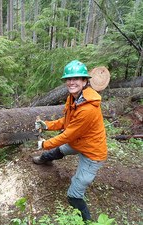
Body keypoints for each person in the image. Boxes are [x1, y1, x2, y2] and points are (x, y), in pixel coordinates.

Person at [33, 60, 107, 222]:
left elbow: (69, 134)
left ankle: (86, 221)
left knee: (74, 195)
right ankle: (43, 159)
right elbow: (67, 122)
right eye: (69, 79)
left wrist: (45, 144)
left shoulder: (88, 108)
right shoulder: (73, 98)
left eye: (76, 79)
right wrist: (47, 125)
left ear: (85, 81)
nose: (71, 82)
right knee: (61, 150)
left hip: (92, 153)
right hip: (80, 142)